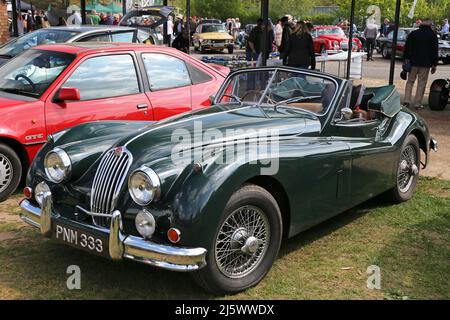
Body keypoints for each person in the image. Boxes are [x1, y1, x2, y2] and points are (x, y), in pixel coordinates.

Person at [403, 18, 439, 110]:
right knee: (421, 83)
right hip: (426, 63)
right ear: (430, 25)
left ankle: (406, 101)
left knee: (410, 81)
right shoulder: (432, 35)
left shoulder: (413, 34)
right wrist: (434, 64)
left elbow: (406, 48)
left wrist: (406, 59)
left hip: (413, 62)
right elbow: (435, 51)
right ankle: (417, 103)